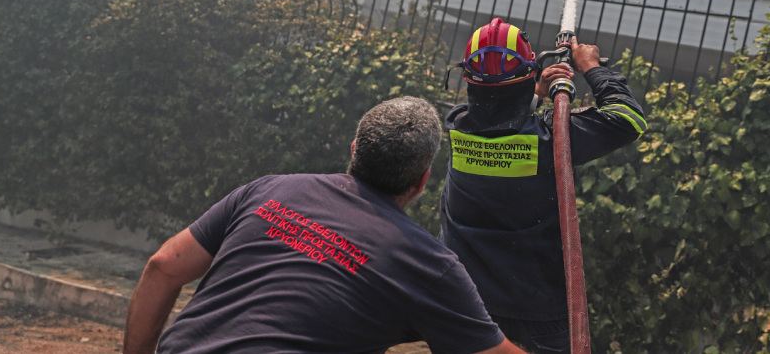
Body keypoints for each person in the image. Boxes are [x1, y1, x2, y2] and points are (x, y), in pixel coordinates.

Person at [123, 96, 528, 354]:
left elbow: (163, 266)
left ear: (354, 150)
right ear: (422, 181)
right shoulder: (426, 262)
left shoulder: (269, 191)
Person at [440, 18, 647, 353]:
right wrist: (591, 67)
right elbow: (628, 120)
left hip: (468, 307)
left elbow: (498, 113)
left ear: (468, 80)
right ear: (529, 73)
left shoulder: (458, 129)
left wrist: (533, 92)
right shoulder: (553, 141)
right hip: (538, 317)